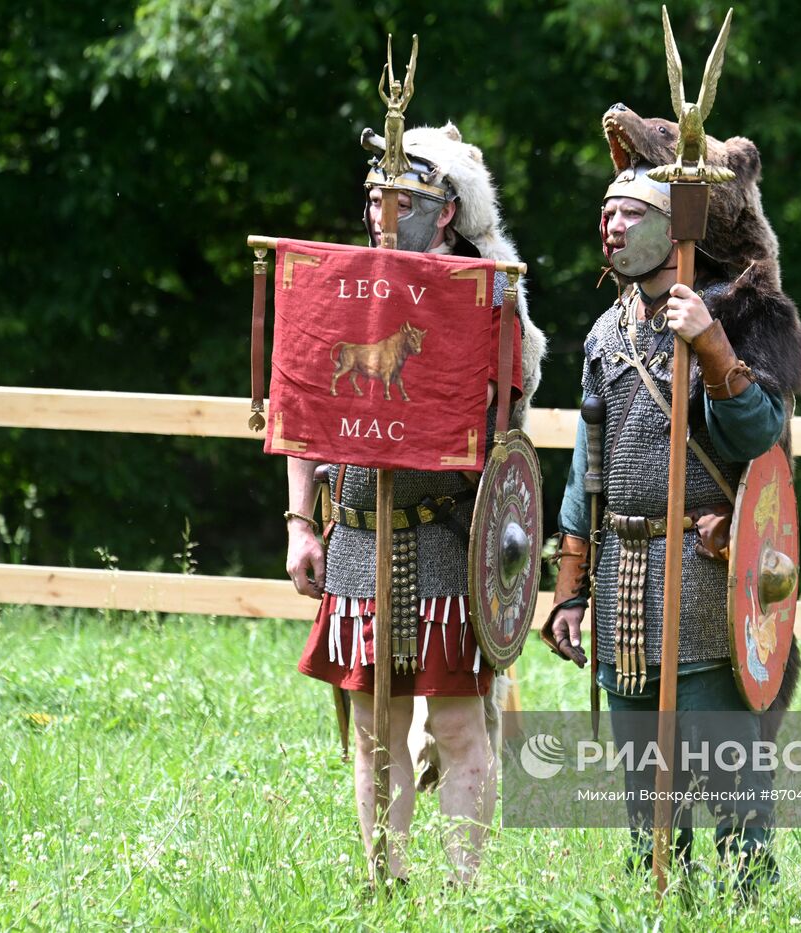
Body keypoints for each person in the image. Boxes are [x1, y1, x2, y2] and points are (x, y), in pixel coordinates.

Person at [541, 153, 801, 894]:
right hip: (624, 575)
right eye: (606, 211)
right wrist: (569, 588)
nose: (612, 224)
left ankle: (751, 896)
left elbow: (762, 436)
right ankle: (663, 895)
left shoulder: (735, 311)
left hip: (703, 574)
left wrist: (712, 344)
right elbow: (584, 471)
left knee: (729, 768)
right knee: (644, 778)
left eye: (629, 213)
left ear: (673, 226)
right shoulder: (604, 333)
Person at [285, 123, 544, 886]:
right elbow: (302, 411)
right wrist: (303, 524)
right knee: (373, 731)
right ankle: (383, 882)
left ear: (445, 212)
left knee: (461, 725)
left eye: (402, 198)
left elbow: (507, 416)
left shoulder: (483, 297)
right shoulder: (339, 288)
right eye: (374, 197)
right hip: (359, 537)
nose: (382, 212)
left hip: (443, 534)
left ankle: (463, 891)